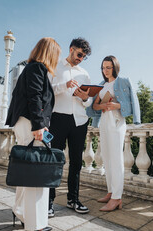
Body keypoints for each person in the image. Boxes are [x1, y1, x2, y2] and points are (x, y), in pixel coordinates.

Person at [5, 37, 61, 231]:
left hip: (25, 122)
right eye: (56, 55)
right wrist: (39, 125)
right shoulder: (38, 68)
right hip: (32, 123)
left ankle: (21, 212)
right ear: (50, 53)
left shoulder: (31, 68)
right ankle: (35, 223)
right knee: (38, 175)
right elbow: (35, 96)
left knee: (28, 171)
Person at [87, 55, 141, 212]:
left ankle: (117, 198)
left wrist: (116, 105)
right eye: (103, 67)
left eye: (108, 67)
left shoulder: (124, 81)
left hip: (117, 123)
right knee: (107, 158)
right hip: (104, 122)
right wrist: (102, 105)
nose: (105, 70)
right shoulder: (100, 85)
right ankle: (111, 192)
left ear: (115, 67)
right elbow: (93, 109)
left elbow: (133, 103)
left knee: (117, 160)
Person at [48, 38, 92, 216]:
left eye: (84, 56)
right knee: (54, 161)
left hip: (79, 121)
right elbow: (47, 90)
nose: (81, 58)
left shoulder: (85, 74)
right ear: (71, 49)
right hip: (58, 118)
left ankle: (73, 199)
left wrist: (84, 97)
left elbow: (89, 102)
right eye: (79, 54)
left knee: (76, 163)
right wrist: (64, 85)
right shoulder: (55, 66)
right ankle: (49, 201)